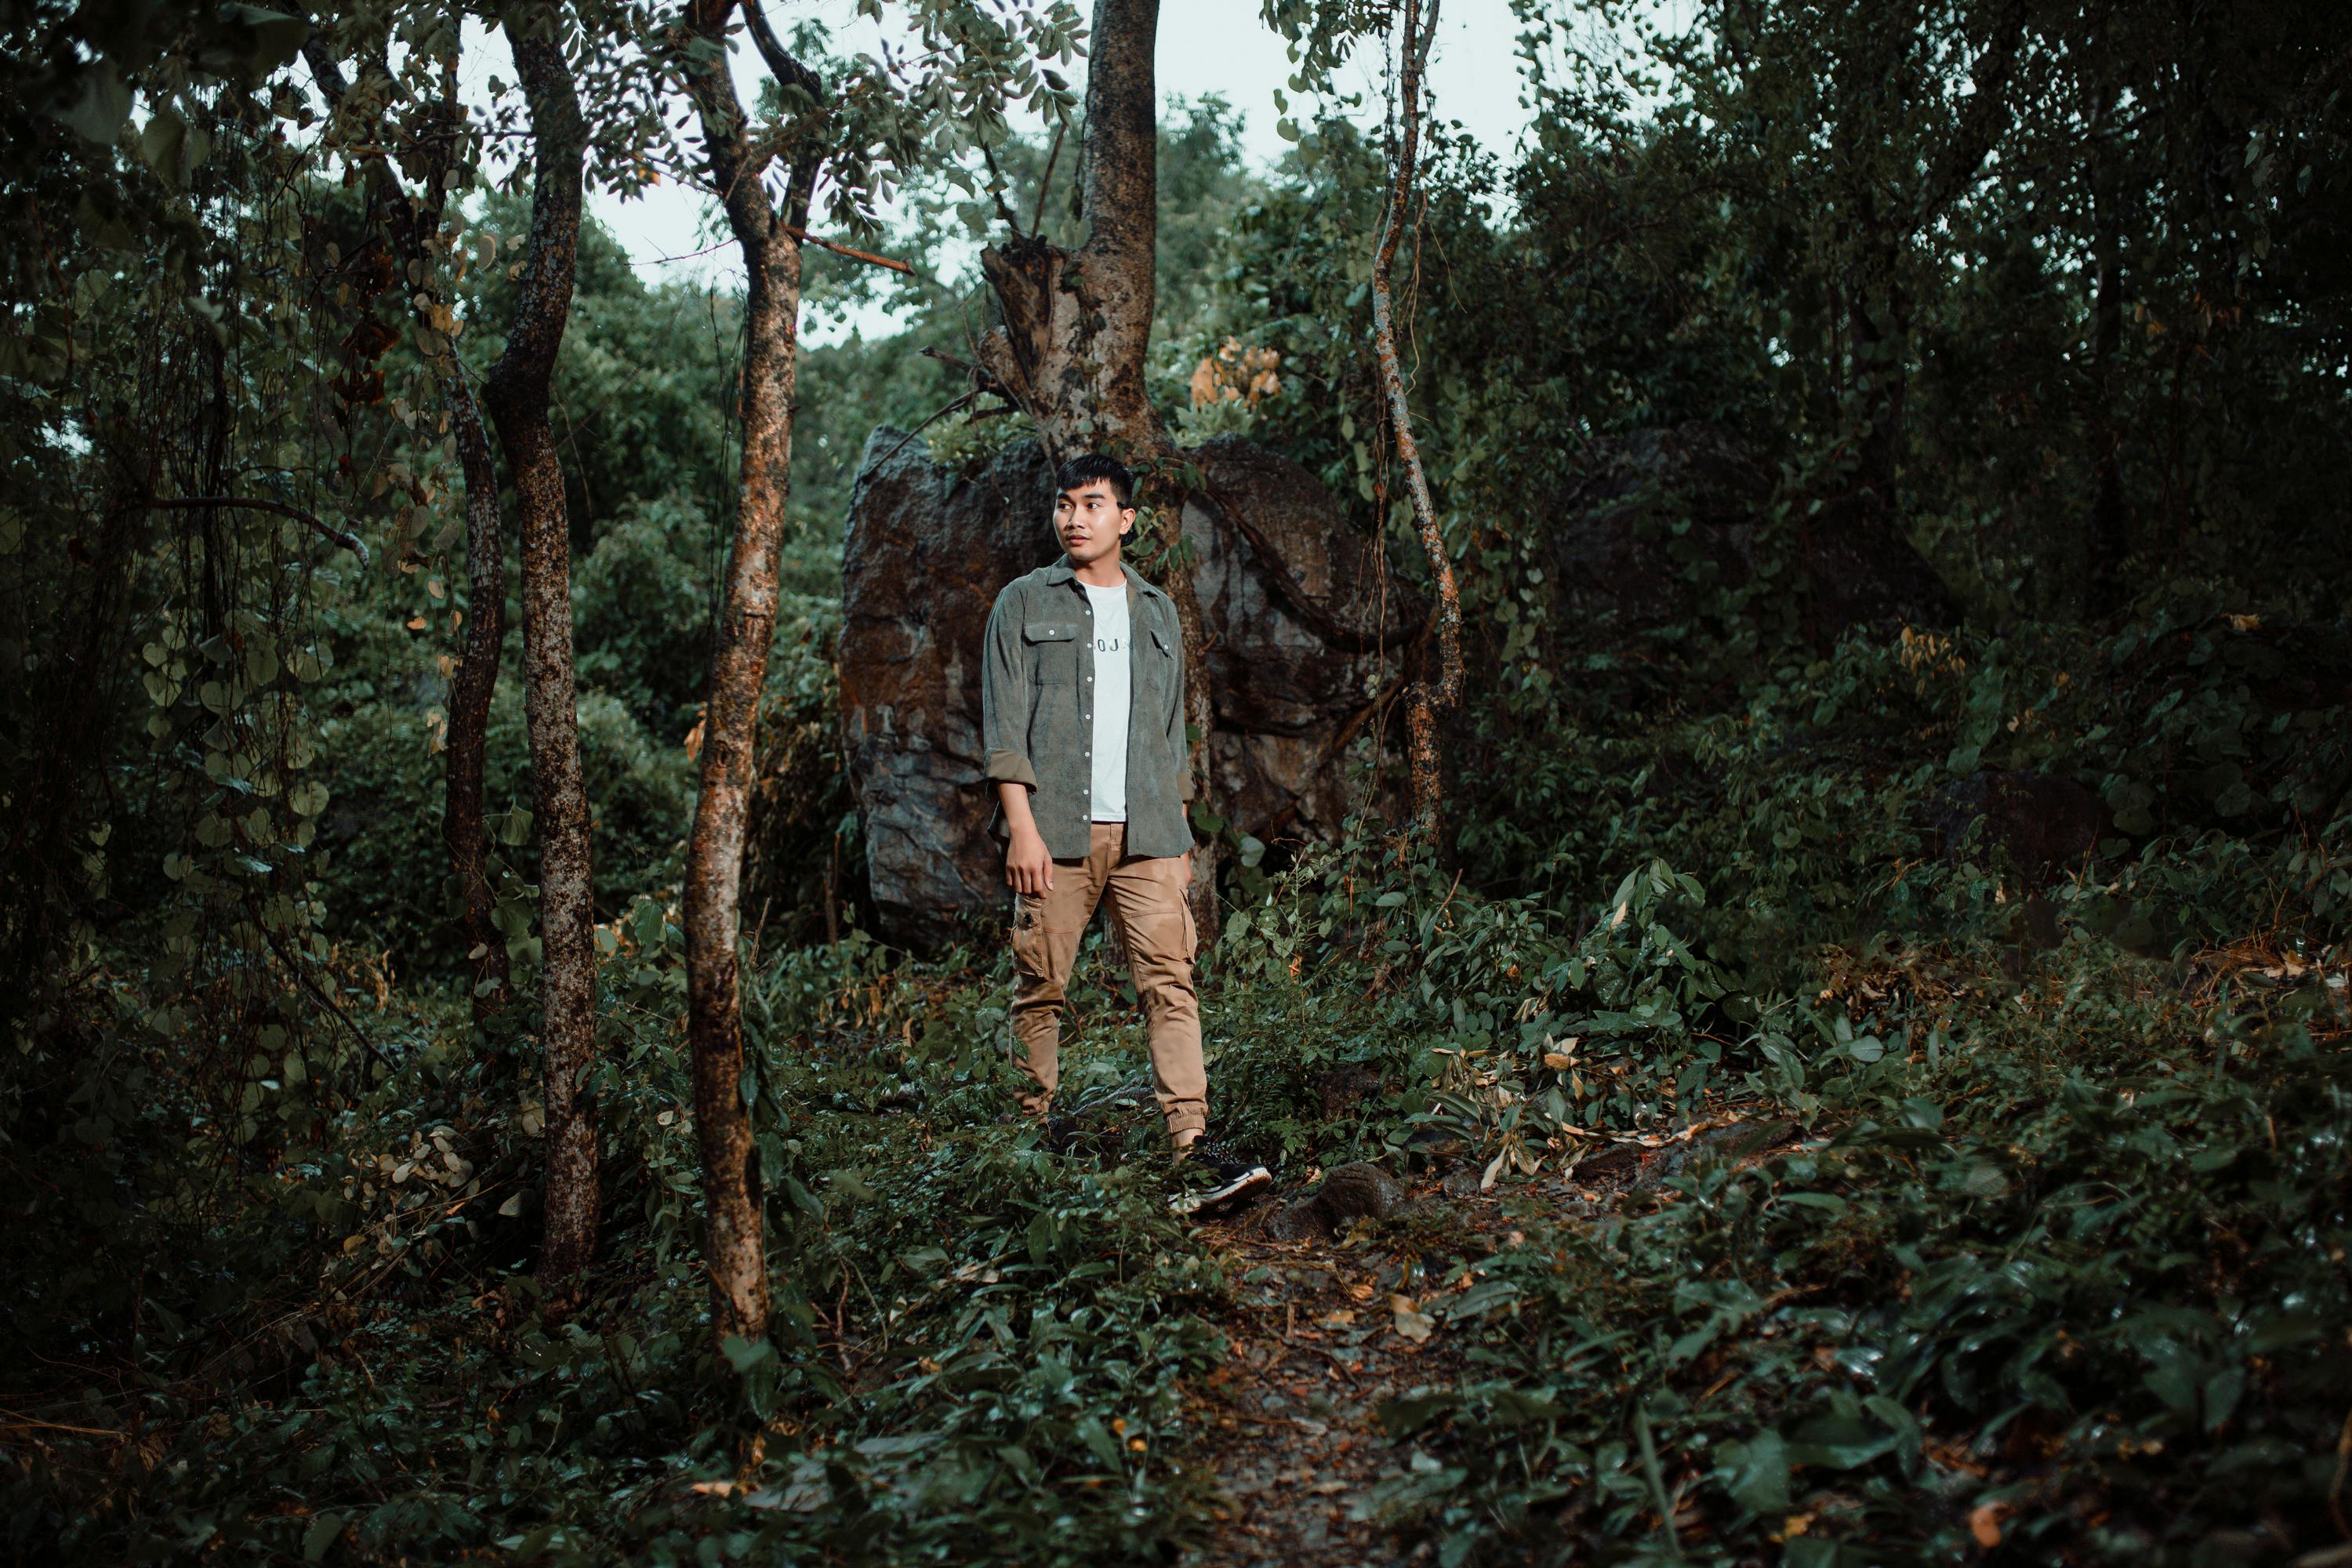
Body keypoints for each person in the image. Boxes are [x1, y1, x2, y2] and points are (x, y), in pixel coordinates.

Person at [978, 452, 1271, 1214]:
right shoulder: (1021, 603)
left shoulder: (1157, 612)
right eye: (1065, 504)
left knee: (1171, 982)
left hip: (1147, 831)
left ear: (1127, 518)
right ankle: (1026, 1146)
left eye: (1093, 503)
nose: (1075, 517)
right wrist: (1021, 829)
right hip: (1057, 832)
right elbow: (1004, 728)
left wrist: (1177, 843)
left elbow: (1171, 738)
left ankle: (1192, 1146)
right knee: (1040, 988)